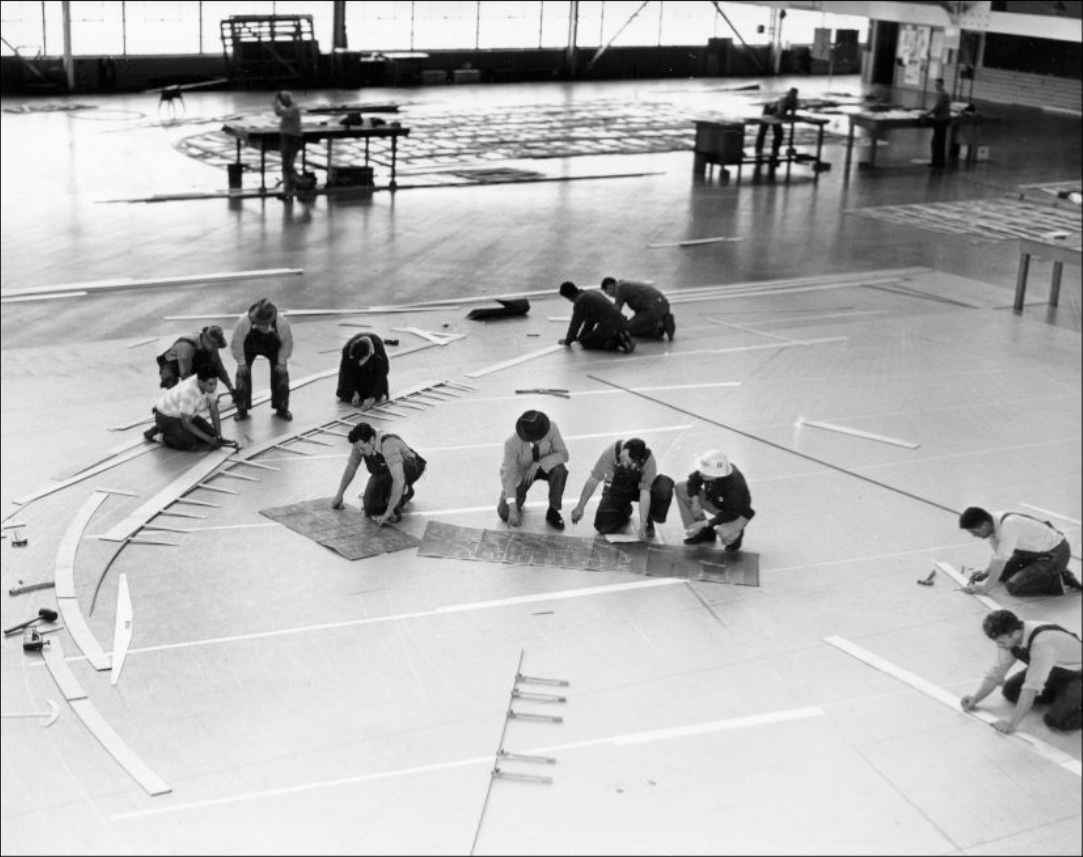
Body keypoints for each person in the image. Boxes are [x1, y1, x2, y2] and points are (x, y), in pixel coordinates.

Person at [960, 609, 1081, 733]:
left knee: (1058, 721)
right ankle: (1065, 698)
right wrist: (975, 699)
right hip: (1053, 669)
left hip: (1077, 675)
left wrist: (1012, 724)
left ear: (1016, 634)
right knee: (1011, 691)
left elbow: (1030, 688)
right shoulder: (1013, 636)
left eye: (1001, 641)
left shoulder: (1042, 644)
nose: (999, 646)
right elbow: (996, 673)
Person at [959, 507, 1081, 596]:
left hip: (1054, 554)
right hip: (1030, 553)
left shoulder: (1009, 525)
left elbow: (1000, 560)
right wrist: (986, 573)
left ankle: (1059, 577)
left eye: (974, 532)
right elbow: (998, 557)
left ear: (984, 525)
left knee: (1015, 586)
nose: (974, 536)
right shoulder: (992, 525)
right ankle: (1034, 569)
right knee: (1000, 574)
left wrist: (986, 588)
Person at [570, 437, 674, 540]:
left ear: (636, 462)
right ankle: (624, 509)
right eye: (621, 455)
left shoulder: (648, 461)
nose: (620, 457)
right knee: (603, 526)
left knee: (663, 487)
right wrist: (580, 506)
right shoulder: (611, 452)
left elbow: (645, 492)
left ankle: (648, 516)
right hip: (617, 489)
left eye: (624, 459)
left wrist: (642, 525)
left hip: (638, 489)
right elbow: (594, 478)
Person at [148, 325, 237, 440]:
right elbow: (185, 376)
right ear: (205, 339)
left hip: (192, 364)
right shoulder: (187, 347)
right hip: (171, 365)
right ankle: (166, 424)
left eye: (216, 346)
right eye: (214, 346)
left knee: (205, 375)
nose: (215, 349)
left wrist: (231, 389)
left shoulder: (211, 347)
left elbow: (219, 369)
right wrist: (203, 397)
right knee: (174, 386)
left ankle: (176, 422)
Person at [331, 422, 426, 525]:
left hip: (410, 466)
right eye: (358, 449)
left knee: (392, 505)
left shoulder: (389, 445)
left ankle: (406, 492)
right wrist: (340, 494)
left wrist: (388, 513)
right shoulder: (359, 444)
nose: (360, 452)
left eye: (362, 448)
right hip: (387, 470)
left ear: (372, 440)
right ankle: (396, 493)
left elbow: (398, 480)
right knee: (371, 508)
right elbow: (351, 467)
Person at [498, 410, 569, 530]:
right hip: (523, 474)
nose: (538, 440)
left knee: (559, 471)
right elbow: (508, 476)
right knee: (505, 514)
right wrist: (513, 509)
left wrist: (538, 464)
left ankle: (553, 511)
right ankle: (520, 497)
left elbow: (563, 455)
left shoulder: (552, 428)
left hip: (545, 467)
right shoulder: (511, 444)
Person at [144, 364, 238, 451]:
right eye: (211, 384)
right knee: (190, 443)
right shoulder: (189, 391)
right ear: (201, 382)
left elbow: (214, 411)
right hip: (165, 415)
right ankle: (159, 435)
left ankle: (168, 429)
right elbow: (186, 424)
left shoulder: (209, 386)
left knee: (212, 435)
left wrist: (218, 436)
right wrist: (209, 440)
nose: (214, 387)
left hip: (184, 414)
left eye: (215, 383)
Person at [675, 450, 755, 550]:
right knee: (682, 487)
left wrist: (705, 523)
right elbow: (692, 482)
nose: (700, 474)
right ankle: (703, 533)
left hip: (736, 512)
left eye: (704, 472)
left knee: (725, 534)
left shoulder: (735, 485)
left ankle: (735, 535)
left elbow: (732, 512)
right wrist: (695, 502)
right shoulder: (708, 471)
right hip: (716, 501)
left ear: (716, 474)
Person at [232, 298, 293, 422]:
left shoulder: (282, 322)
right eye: (260, 323)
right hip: (248, 348)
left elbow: (287, 344)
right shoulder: (243, 321)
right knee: (241, 376)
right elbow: (236, 343)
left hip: (274, 348)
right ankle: (242, 408)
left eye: (266, 323)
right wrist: (241, 363)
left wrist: (282, 361)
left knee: (282, 377)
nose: (263, 326)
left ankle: (281, 408)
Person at [558, 281, 635, 353]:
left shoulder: (580, 301)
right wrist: (581, 337)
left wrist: (568, 341)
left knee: (586, 343)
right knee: (584, 340)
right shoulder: (590, 293)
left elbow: (575, 324)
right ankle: (620, 335)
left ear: (568, 297)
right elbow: (590, 320)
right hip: (621, 322)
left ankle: (616, 341)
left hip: (610, 326)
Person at [601, 277, 676, 341]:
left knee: (627, 329)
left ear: (611, 286)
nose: (608, 295)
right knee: (638, 324)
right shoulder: (626, 285)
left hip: (652, 308)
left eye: (607, 291)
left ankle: (659, 327)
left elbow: (616, 310)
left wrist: (606, 323)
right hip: (662, 305)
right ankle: (661, 324)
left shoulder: (620, 288)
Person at [336, 332, 390, 408]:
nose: (360, 363)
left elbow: (382, 373)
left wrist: (373, 397)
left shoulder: (377, 348)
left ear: (369, 354)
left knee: (371, 393)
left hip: (370, 371)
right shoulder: (348, 349)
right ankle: (356, 393)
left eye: (362, 360)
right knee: (345, 394)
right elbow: (346, 373)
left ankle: (371, 394)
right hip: (355, 371)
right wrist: (354, 391)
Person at [754, 87, 799, 163]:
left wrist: (792, 117)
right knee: (763, 131)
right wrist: (786, 117)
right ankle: (758, 150)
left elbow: (793, 112)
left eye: (794, 95)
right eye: (791, 94)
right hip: (768, 112)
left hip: (778, 115)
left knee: (779, 134)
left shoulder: (795, 101)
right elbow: (779, 113)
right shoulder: (783, 101)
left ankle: (775, 150)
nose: (793, 96)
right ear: (789, 94)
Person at [272, 90, 303, 199]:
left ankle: (301, 183)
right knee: (286, 166)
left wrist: (275, 102)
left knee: (288, 166)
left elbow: (279, 112)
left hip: (292, 138)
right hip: (287, 137)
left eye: (283, 101)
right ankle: (288, 191)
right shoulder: (291, 108)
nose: (282, 103)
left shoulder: (294, 109)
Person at [923, 77, 951, 170]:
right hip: (942, 119)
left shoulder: (943, 95)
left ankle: (937, 162)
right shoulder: (942, 94)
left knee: (936, 142)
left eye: (937, 85)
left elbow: (938, 107)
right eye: (935, 85)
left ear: (941, 84)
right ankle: (939, 162)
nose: (936, 86)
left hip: (941, 120)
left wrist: (927, 114)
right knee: (939, 142)